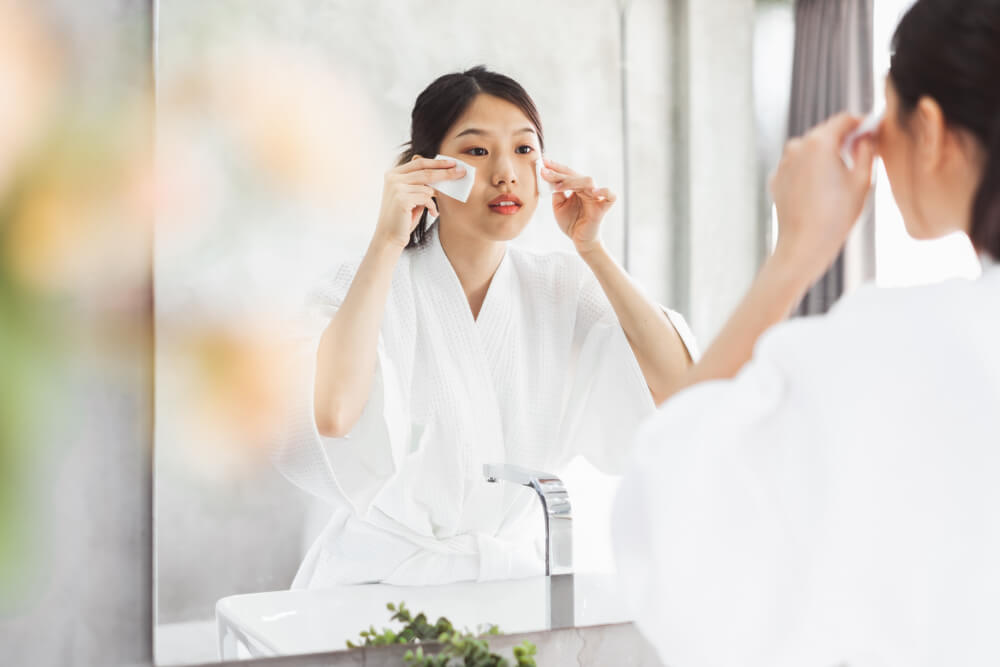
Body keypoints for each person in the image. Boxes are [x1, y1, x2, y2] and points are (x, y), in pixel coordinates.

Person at [613, 1, 1000, 665]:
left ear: (929, 128)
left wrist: (794, 252)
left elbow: (669, 520)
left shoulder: (898, 351)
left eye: (886, 118)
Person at [274, 66, 697, 588]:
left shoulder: (562, 287)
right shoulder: (361, 285)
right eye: (477, 151)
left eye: (524, 150)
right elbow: (333, 414)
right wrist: (386, 242)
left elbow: (681, 392)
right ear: (427, 168)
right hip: (377, 585)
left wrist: (593, 250)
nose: (506, 173)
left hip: (510, 583)